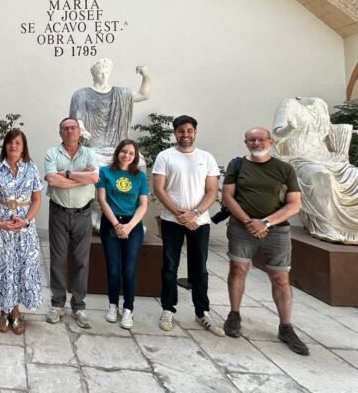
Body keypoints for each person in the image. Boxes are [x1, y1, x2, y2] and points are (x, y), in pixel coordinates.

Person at [222, 127, 309, 355]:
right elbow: (228, 196)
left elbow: (294, 203)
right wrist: (249, 222)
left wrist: (266, 223)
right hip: (242, 227)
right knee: (238, 268)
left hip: (277, 230)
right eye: (251, 139)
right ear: (245, 142)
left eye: (261, 139)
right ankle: (234, 314)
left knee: (280, 277)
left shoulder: (284, 169)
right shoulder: (237, 165)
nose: (256, 143)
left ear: (271, 141)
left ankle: (286, 325)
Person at [152, 115, 224, 336]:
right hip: (171, 221)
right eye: (181, 131)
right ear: (175, 133)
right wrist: (180, 214)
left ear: (195, 132)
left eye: (189, 130)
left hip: (199, 222)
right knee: (170, 266)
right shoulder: (165, 156)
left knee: (199, 268)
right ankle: (168, 309)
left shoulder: (206, 158)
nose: (185, 135)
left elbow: (212, 190)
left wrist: (195, 214)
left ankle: (202, 311)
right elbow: (159, 189)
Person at [69, 59, 150, 230]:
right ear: (93, 73)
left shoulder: (122, 93)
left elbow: (143, 95)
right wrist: (81, 129)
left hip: (118, 148)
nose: (104, 75)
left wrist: (146, 75)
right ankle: (97, 214)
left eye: (106, 71)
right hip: (93, 146)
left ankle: (132, 217)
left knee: (140, 164)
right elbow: (77, 119)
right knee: (96, 168)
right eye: (100, 72)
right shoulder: (81, 94)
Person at [0, 128, 43, 334]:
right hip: (1, 229)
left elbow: (36, 200)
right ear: (5, 146)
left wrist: (26, 221)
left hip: (24, 230)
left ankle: (16, 312)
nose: (13, 146)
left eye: (18, 143)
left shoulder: (31, 168)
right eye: (10, 142)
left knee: (21, 268)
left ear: (23, 147)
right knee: (3, 268)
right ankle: (4, 312)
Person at [272, 97, 358, 245]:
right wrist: (290, 127)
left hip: (325, 157)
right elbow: (277, 135)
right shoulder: (288, 104)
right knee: (320, 175)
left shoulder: (320, 104)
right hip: (298, 156)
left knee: (354, 174)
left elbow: (329, 132)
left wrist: (351, 132)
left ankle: (351, 227)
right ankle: (325, 224)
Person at [44, 117, 99, 328]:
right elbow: (52, 180)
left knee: (81, 261)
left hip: (83, 214)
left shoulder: (89, 154)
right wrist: (79, 179)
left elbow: (94, 178)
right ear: (60, 132)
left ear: (79, 131)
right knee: (57, 259)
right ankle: (57, 304)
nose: (69, 132)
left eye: (73, 128)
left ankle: (78, 306)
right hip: (58, 212)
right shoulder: (52, 153)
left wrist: (66, 175)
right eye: (65, 129)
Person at [96, 139, 149, 330]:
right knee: (113, 268)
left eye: (131, 153)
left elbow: (143, 204)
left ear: (135, 157)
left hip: (132, 225)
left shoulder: (140, 177)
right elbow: (102, 200)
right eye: (124, 151)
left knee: (129, 269)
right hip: (111, 223)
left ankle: (128, 308)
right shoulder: (105, 172)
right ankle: (113, 305)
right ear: (118, 152)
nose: (127, 156)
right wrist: (117, 225)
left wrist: (129, 226)